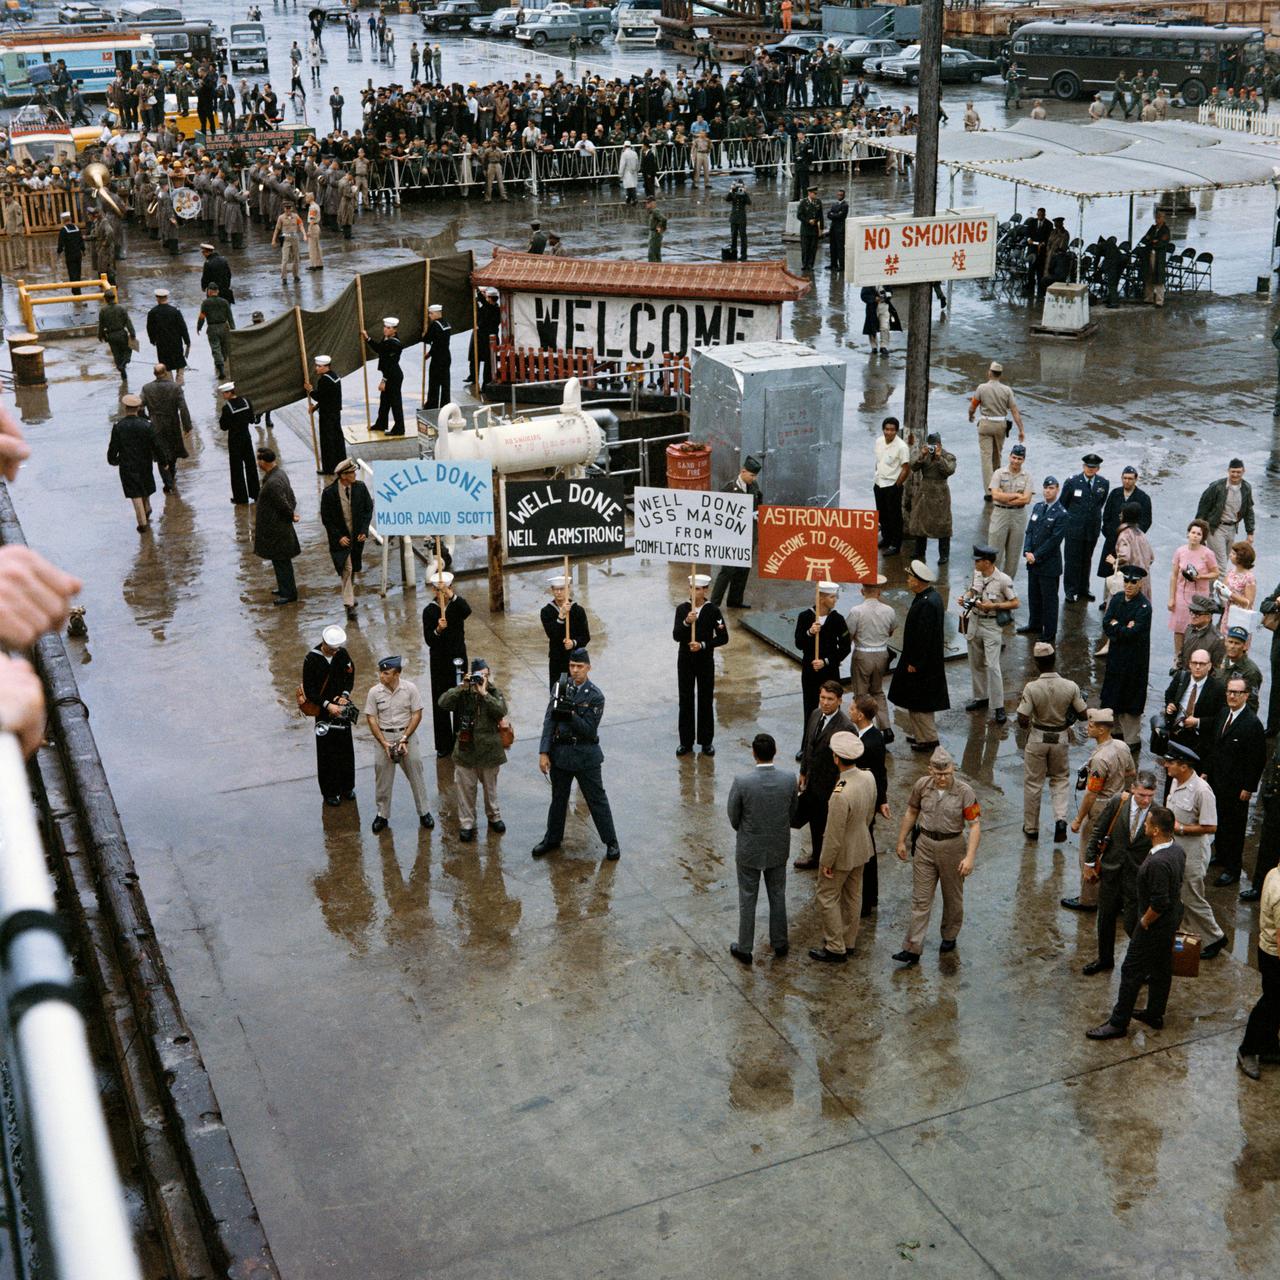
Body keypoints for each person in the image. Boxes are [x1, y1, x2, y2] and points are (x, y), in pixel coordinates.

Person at [1085, 804, 1184, 1039]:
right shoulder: (1177, 851)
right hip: (1171, 922)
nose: (1145, 824)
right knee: (1161, 968)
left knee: (1131, 970)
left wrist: (1145, 922)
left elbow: (1160, 902)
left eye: (1148, 822)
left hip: (1155, 925)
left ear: (1156, 830)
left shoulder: (1158, 862)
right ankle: (1154, 1012)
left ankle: (1118, 1023)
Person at [892, 746, 980, 965]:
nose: (942, 778)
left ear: (953, 769)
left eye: (947, 773)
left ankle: (949, 935)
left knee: (952, 897)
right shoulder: (922, 786)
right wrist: (902, 840)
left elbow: (975, 825)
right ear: (929, 769)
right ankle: (912, 947)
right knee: (920, 899)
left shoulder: (965, 792)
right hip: (925, 845)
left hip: (953, 847)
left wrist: (969, 857)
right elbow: (912, 811)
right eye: (938, 773)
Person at [533, 649, 620, 862]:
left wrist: (570, 713)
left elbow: (589, 730)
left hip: (585, 756)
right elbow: (549, 721)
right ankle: (552, 838)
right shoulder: (560, 687)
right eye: (572, 666)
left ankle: (611, 841)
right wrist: (544, 752)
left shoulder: (595, 696)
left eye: (579, 666)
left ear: (588, 668)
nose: (574, 670)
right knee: (558, 799)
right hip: (561, 754)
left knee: (596, 799)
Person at [727, 732, 796, 964]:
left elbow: (733, 817)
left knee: (748, 898)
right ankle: (780, 942)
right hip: (778, 846)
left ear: (754, 753)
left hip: (750, 848)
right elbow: (792, 813)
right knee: (778, 894)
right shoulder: (789, 779)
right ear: (774, 751)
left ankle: (745, 947)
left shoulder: (742, 782)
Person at [809, 731, 877, 964]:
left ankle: (835, 946)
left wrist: (826, 861)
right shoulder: (868, 778)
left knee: (826, 895)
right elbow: (869, 814)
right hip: (861, 846)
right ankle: (849, 940)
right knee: (853, 895)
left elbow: (834, 834)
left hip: (842, 853)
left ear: (836, 758)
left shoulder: (840, 793)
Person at [1081, 771, 1157, 974]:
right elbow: (1099, 830)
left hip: (1136, 876)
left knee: (1133, 923)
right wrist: (1089, 863)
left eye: (1150, 796)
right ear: (1133, 789)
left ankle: (1144, 965)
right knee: (1105, 918)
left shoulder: (1157, 813)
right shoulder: (1118, 803)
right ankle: (1105, 959)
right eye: (1141, 795)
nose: (1145, 800)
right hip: (1111, 871)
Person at [1064, 709, 1135, 911]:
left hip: (1100, 808)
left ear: (1102, 729)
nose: (1088, 728)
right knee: (1113, 853)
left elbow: (1091, 794)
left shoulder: (1100, 758)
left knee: (1090, 852)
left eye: (1091, 726)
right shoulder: (1122, 746)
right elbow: (1131, 771)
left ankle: (1088, 899)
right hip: (1119, 803)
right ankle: (1115, 897)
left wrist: (1078, 819)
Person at [1018, 642, 1088, 841]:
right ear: (1054, 659)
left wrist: (1029, 724)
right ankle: (1060, 820)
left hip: (1038, 737)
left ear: (1036, 663)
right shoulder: (1070, 686)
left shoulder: (1031, 687)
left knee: (1033, 783)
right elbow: (1083, 714)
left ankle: (1031, 828)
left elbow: (1023, 718)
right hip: (1060, 738)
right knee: (1060, 779)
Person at [1161, 743, 1225, 960]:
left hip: (1193, 854)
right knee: (1180, 896)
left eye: (1170, 762)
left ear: (1184, 766)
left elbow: (1211, 826)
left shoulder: (1201, 791)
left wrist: (1181, 828)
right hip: (1176, 850)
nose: (1166, 765)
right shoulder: (1176, 782)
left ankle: (1215, 937)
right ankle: (1189, 935)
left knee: (1192, 897)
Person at [437, 658, 509, 842]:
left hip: (489, 751)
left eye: (485, 676)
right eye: (479, 676)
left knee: (490, 790)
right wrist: (461, 687)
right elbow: (443, 703)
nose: (481, 680)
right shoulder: (464, 693)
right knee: (466, 790)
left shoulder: (493, 692)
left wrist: (484, 693)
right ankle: (467, 823)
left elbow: (501, 710)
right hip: (466, 750)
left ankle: (494, 817)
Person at [1205, 675, 1266, 887]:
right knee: (1219, 822)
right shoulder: (1224, 713)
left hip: (1237, 788)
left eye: (1237, 692)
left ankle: (1232, 868)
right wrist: (1207, 772)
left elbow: (1257, 760)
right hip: (1218, 781)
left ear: (1246, 696)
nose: (1232, 696)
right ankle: (1220, 856)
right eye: (1229, 691)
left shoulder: (1252, 724)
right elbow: (1215, 747)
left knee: (1234, 828)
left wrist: (1249, 787)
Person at [364, 655, 434, 834]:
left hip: (407, 736)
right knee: (382, 777)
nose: (381, 676)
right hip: (384, 736)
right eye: (381, 672)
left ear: (397, 674)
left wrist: (404, 738)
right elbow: (371, 718)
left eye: (386, 673)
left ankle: (424, 812)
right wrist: (384, 743)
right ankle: (382, 814)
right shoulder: (374, 692)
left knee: (416, 773)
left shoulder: (410, 689)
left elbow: (417, 714)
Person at [889, 560, 948, 752]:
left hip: (922, 664)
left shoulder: (927, 603)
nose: (907, 580)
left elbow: (924, 637)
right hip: (922, 662)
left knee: (921, 703)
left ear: (918, 580)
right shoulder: (929, 597)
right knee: (914, 700)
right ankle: (920, 735)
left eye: (910, 577)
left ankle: (929, 739)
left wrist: (916, 663)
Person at [795, 680, 854, 871]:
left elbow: (848, 763)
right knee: (814, 821)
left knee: (829, 827)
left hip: (830, 786)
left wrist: (840, 788)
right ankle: (816, 857)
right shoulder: (815, 714)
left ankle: (829, 859)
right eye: (822, 698)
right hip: (812, 781)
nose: (825, 702)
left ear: (839, 701)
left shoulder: (846, 727)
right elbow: (808, 745)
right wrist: (803, 771)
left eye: (830, 699)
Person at [962, 544, 1019, 725]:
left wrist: (993, 606)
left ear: (987, 562)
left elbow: (1015, 602)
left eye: (978, 561)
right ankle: (981, 698)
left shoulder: (1003, 580)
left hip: (992, 625)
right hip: (975, 621)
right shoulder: (977, 574)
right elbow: (973, 590)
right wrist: (965, 597)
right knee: (976, 663)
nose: (975, 564)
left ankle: (998, 706)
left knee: (993, 667)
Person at [673, 572, 728, 757]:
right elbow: (676, 635)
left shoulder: (713, 611)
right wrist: (687, 622)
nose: (695, 592)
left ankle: (706, 741)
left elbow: (723, 637)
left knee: (705, 699)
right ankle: (685, 742)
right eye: (692, 588)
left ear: (705, 590)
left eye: (698, 589)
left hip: (705, 660)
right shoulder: (682, 609)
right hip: (685, 660)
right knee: (685, 699)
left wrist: (703, 645)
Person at [1099, 565, 1152, 752]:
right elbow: (1106, 623)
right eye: (1126, 581)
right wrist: (1123, 627)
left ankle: (1131, 747)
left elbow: (1133, 633)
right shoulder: (1117, 599)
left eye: (1133, 582)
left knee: (1130, 704)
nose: (1129, 585)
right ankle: (1115, 739)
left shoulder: (1144, 607)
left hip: (1133, 664)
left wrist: (1117, 626)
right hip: (1115, 660)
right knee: (1113, 701)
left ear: (1140, 583)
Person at [303, 625, 357, 806]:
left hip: (341, 708)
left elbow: (350, 676)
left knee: (345, 748)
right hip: (323, 712)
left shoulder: (342, 654)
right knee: (327, 752)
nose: (335, 652)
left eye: (337, 649)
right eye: (332, 649)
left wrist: (344, 696)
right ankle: (330, 791)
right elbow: (310, 690)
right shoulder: (311, 659)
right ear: (324, 644)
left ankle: (347, 786)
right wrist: (328, 705)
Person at [1236, 862, 1280, 1078]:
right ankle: (1248, 1049)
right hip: (1275, 956)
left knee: (1275, 1004)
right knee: (1270, 1004)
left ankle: (1269, 1046)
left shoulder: (1273, 872)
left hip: (1266, 949)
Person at [794, 582, 851, 749]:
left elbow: (845, 647)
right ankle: (807, 746)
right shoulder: (805, 617)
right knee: (810, 709)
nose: (835, 600)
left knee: (833, 708)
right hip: (810, 670)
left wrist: (826, 661)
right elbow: (799, 643)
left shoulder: (838, 619)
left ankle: (833, 744)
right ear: (821, 597)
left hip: (830, 671)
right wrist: (810, 632)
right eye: (832, 597)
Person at [421, 570, 471, 757]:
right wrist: (438, 630)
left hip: (458, 660)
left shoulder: (457, 606)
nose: (441, 593)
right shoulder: (430, 611)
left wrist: (450, 594)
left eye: (445, 590)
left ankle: (461, 740)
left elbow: (467, 611)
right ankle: (443, 745)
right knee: (441, 702)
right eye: (438, 590)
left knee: (461, 700)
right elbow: (429, 639)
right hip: (440, 663)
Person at [320, 459, 372, 622]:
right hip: (340, 541)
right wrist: (338, 537)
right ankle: (349, 604)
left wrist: (364, 530)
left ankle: (350, 594)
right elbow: (327, 519)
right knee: (346, 568)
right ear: (343, 476)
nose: (355, 474)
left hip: (356, 538)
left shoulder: (360, 488)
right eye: (351, 473)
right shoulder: (329, 493)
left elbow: (368, 509)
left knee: (353, 567)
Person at [1017, 476, 1066, 643]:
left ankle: (1049, 632)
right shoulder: (1038, 507)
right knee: (1034, 596)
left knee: (1049, 601)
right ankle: (1034, 624)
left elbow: (1054, 541)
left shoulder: (1061, 513)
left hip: (1048, 565)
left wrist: (1036, 556)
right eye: (1045, 488)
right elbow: (1029, 531)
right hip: (1033, 562)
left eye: (1051, 488)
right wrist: (1027, 551)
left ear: (1057, 489)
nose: (1048, 491)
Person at [710, 456, 763, 609]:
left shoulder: (754, 486)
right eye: (751, 475)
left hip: (748, 535)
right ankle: (714, 604)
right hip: (732, 537)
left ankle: (735, 600)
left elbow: (759, 503)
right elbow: (720, 513)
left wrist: (757, 514)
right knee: (727, 571)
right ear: (743, 471)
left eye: (755, 476)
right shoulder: (729, 488)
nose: (753, 479)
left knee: (743, 570)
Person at [847, 575, 894, 739]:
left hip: (863, 654)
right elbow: (891, 630)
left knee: (861, 694)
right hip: (882, 654)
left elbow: (850, 634)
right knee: (877, 691)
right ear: (879, 592)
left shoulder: (856, 611)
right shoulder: (889, 610)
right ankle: (886, 727)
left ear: (862, 591)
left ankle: (864, 730)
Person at [967, 361, 1025, 496]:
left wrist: (971, 416)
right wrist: (1021, 430)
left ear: (989, 373)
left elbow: (972, 406)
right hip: (1000, 426)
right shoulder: (1007, 390)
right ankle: (997, 485)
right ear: (1000, 375)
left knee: (986, 457)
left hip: (985, 425)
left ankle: (989, 491)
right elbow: (1015, 411)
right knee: (997, 456)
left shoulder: (981, 388)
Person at [253, 448, 299, 605]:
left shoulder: (272, 482)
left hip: (277, 529)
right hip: (279, 528)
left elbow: (282, 504)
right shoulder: (280, 474)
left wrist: (290, 515)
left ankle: (289, 593)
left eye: (258, 460)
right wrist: (291, 513)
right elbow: (291, 497)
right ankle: (283, 587)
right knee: (279, 560)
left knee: (282, 562)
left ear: (262, 462)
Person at [1162, 649, 1226, 765]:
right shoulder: (1181, 677)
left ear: (1209, 666)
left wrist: (1198, 721)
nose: (1197, 667)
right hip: (1176, 733)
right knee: (1172, 770)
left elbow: (1220, 718)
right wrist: (1170, 705)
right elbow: (1169, 694)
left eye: (1202, 664)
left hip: (1198, 740)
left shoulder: (1218, 688)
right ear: (1189, 664)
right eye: (1194, 663)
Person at [1060, 453, 1109, 603]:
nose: (1090, 469)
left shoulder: (1103, 483)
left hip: (1091, 529)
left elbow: (1100, 504)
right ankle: (1070, 590)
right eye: (1088, 466)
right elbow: (1063, 504)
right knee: (1072, 560)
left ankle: (1083, 588)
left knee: (1086, 560)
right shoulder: (1072, 482)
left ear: (1098, 469)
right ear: (1083, 466)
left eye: (1093, 467)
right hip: (1074, 528)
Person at [1167, 520, 1219, 660]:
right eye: (1193, 533)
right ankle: (1177, 657)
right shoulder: (1180, 551)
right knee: (1179, 627)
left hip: (1199, 595)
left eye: (1199, 534)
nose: (1195, 536)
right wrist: (1171, 598)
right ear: (1188, 534)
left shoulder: (1207, 553)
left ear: (1202, 537)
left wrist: (1201, 576)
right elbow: (1174, 575)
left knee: (1197, 626)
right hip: (1181, 594)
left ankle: (1194, 657)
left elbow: (1216, 573)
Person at [106, 394, 158, 533]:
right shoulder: (147, 425)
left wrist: (113, 460)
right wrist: (161, 460)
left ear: (125, 408)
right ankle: (146, 507)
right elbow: (156, 445)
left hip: (127, 465)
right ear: (138, 408)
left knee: (135, 493)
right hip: (145, 463)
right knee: (144, 487)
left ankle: (142, 523)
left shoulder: (118, 427)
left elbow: (113, 448)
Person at [1195, 458, 1254, 576]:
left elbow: (1248, 511)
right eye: (1233, 471)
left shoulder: (1246, 488)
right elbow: (1203, 509)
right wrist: (1199, 532)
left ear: (1243, 471)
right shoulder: (1216, 487)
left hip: (1232, 529)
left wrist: (1250, 532)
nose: (1235, 474)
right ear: (1228, 471)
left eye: (1238, 472)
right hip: (1216, 528)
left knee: (1222, 562)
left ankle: (1209, 591)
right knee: (1221, 566)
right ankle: (1220, 594)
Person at [904, 431, 955, 565]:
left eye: (936, 445)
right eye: (931, 445)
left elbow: (948, 471)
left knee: (943, 524)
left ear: (940, 444)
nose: (934, 447)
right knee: (921, 521)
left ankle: (944, 554)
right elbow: (913, 466)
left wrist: (939, 459)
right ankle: (919, 550)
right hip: (925, 491)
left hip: (940, 492)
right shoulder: (925, 454)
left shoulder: (948, 456)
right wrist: (922, 454)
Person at [140, 364, 191, 495]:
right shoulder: (175, 387)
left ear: (154, 374)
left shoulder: (146, 388)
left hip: (155, 423)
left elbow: (140, 406)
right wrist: (187, 426)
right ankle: (171, 476)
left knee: (159, 452)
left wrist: (146, 418)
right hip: (172, 422)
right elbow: (183, 408)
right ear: (166, 373)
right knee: (173, 450)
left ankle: (167, 481)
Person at [1098, 465, 1152, 583]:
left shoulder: (1143, 498)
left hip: (1131, 542)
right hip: (1112, 540)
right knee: (1109, 575)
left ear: (1136, 479)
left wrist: (1133, 535)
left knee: (1127, 573)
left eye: (1130, 479)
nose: (1127, 481)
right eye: (1125, 478)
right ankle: (1107, 600)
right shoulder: (1114, 493)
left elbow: (1147, 521)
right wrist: (1108, 532)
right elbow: (1106, 515)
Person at [988, 443, 1032, 578]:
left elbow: (1026, 500)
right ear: (1009, 457)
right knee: (994, 552)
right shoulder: (999, 473)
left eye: (1019, 459)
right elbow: (995, 495)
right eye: (1014, 457)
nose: (1016, 461)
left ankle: (1007, 585)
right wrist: (1017, 495)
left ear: (1023, 460)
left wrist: (1004, 497)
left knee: (1013, 555)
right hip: (1000, 514)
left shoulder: (1027, 476)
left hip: (1018, 515)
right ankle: (991, 585)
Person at [540, 574, 590, 691]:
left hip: (575, 659)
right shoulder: (546, 611)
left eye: (562, 589)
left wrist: (573, 643)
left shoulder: (578, 610)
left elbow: (585, 637)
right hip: (557, 658)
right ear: (552, 590)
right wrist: (561, 617)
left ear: (568, 589)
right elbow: (552, 635)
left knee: (576, 690)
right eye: (555, 589)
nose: (558, 592)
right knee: (557, 690)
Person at [872, 417, 909, 557]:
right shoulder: (879, 441)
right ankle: (886, 538)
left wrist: (896, 486)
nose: (889, 432)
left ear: (896, 431)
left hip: (892, 485)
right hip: (879, 483)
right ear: (883, 430)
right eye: (887, 429)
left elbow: (906, 469)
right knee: (881, 514)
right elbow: (878, 461)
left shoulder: (902, 447)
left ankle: (895, 544)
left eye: (892, 430)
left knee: (895, 516)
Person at [363, 317, 406, 436]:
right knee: (385, 401)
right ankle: (381, 424)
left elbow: (390, 364)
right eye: (385, 327)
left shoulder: (394, 344)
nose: (385, 330)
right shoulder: (387, 339)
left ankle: (399, 428)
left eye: (389, 328)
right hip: (389, 374)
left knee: (395, 402)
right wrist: (368, 338)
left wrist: (384, 381)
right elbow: (379, 349)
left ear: (395, 330)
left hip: (393, 376)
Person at [218, 381, 259, 505]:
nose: (223, 395)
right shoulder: (247, 402)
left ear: (229, 393)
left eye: (224, 393)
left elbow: (223, 426)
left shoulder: (227, 408)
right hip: (246, 437)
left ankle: (241, 497)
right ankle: (256, 492)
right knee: (251, 465)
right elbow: (252, 420)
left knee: (236, 469)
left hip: (234, 440)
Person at [306, 355, 346, 476]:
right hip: (335, 413)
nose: (316, 368)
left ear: (325, 367)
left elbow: (320, 396)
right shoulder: (335, 377)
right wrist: (315, 407)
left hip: (327, 415)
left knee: (327, 441)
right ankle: (342, 464)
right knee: (337, 439)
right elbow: (329, 397)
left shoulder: (324, 380)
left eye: (319, 366)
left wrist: (310, 390)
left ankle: (329, 468)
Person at [145, 288, 189, 385]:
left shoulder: (152, 313)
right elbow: (183, 327)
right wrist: (187, 341)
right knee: (179, 361)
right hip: (176, 342)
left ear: (157, 298)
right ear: (167, 297)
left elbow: (150, 328)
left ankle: (170, 383)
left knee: (166, 364)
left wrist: (153, 340)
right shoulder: (175, 311)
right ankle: (180, 380)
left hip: (162, 344)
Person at [196, 283, 235, 381]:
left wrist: (199, 327)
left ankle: (220, 368)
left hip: (212, 328)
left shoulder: (205, 303)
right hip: (224, 327)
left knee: (215, 348)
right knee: (224, 348)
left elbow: (202, 317)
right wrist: (233, 329)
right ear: (217, 291)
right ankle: (223, 361)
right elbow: (230, 317)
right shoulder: (225, 302)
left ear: (209, 291)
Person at [1219, 541, 1258, 637]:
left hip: (1240, 616)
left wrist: (1230, 594)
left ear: (1241, 557)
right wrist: (1219, 588)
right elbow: (1224, 587)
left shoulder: (1249, 577)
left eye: (1233, 553)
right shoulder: (1231, 571)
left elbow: (1248, 603)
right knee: (1224, 644)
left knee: (1236, 644)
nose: (1230, 555)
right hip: (1228, 613)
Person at [97, 288, 136, 380]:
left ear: (106, 299)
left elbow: (101, 325)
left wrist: (100, 335)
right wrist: (132, 333)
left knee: (116, 353)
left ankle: (121, 368)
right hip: (122, 333)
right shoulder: (121, 308)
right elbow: (128, 322)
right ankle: (124, 363)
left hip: (111, 335)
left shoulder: (103, 310)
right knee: (127, 350)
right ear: (114, 297)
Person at [1137, 210, 1172, 307]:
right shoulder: (1152, 228)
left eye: (1159, 218)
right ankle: (1148, 297)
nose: (1157, 220)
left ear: (1163, 218)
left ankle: (1159, 301)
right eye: (1156, 217)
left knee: (1158, 277)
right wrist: (1153, 241)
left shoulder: (1165, 230)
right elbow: (1144, 239)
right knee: (1149, 275)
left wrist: (1152, 241)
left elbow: (1162, 243)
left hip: (1158, 257)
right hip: (1149, 254)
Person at [424, 303, 452, 411]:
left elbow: (427, 339)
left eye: (431, 314)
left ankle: (432, 405)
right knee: (445, 383)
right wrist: (429, 353)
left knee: (434, 383)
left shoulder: (435, 325)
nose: (429, 316)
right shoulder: (446, 324)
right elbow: (439, 343)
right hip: (446, 356)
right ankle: (445, 406)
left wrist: (424, 333)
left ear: (436, 313)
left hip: (437, 359)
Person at [860, 285, 900, 357]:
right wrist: (874, 298)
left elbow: (890, 292)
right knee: (872, 327)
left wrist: (886, 296)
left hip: (885, 306)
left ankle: (883, 346)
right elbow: (863, 296)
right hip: (872, 308)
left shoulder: (886, 281)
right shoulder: (868, 282)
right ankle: (874, 347)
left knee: (885, 327)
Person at [273, 199, 303, 283]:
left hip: (294, 239)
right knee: (285, 259)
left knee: (296, 258)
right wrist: (273, 240)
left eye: (289, 208)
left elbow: (300, 225)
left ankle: (296, 275)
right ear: (284, 208)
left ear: (292, 208)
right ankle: (284, 278)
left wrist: (304, 233)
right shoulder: (281, 218)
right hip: (286, 239)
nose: (288, 209)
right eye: (286, 208)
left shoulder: (296, 216)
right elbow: (277, 229)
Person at [55, 210, 84, 295]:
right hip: (78, 254)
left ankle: (75, 291)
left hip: (70, 255)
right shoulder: (77, 228)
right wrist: (83, 250)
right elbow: (81, 240)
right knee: (78, 272)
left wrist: (58, 253)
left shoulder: (63, 230)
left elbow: (60, 243)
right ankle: (78, 289)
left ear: (63, 220)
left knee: (72, 272)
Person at [796, 184, 823, 274]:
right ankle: (805, 264)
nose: (815, 195)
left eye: (816, 194)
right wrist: (808, 221)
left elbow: (821, 215)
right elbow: (799, 215)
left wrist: (821, 228)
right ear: (810, 193)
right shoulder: (804, 202)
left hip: (814, 229)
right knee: (805, 248)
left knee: (813, 248)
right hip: (805, 229)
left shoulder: (818, 202)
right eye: (814, 193)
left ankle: (811, 264)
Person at [726, 179, 750, 260]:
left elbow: (749, 202)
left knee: (743, 237)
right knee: (733, 236)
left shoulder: (744, 193)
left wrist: (745, 193)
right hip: (734, 218)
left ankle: (744, 255)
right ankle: (733, 253)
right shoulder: (733, 192)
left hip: (742, 218)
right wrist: (731, 189)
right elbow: (727, 199)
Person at [645, 198, 667, 262]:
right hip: (654, 233)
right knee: (656, 252)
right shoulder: (652, 211)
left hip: (655, 234)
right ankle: (658, 266)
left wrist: (659, 228)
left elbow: (664, 219)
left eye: (647, 203)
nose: (646, 205)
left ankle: (653, 267)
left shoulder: (655, 211)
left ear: (652, 204)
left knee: (652, 253)